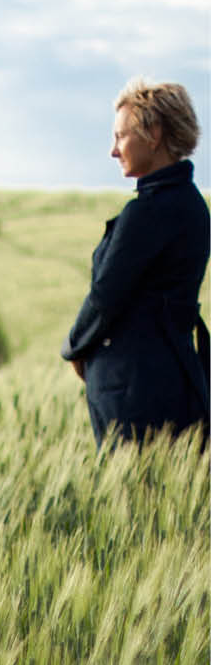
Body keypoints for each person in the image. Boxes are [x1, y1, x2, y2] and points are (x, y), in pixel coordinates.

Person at [62, 78, 210, 448]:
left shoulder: (145, 213)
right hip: (182, 379)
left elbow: (105, 296)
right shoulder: (194, 205)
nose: (113, 150)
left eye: (121, 136)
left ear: (154, 134)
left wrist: (75, 348)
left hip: (133, 394)